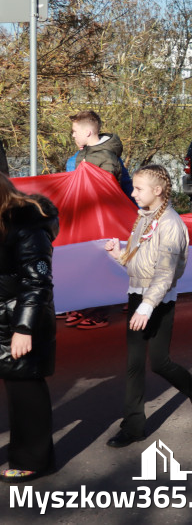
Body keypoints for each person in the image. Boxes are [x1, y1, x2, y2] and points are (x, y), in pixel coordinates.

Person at [103, 165, 192, 447]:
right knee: (134, 364)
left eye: (138, 189)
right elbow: (137, 260)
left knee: (160, 362)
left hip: (158, 300)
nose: (132, 192)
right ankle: (133, 426)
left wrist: (146, 306)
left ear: (157, 190)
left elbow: (164, 273)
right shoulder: (144, 217)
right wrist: (119, 255)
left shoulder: (171, 224)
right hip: (138, 296)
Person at [0, 175, 58, 483]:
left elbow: (36, 282)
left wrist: (23, 328)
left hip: (19, 321)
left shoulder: (27, 225)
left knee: (24, 386)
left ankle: (34, 460)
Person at [68, 110, 126, 330]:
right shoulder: (85, 153)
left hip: (100, 219)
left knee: (99, 263)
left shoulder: (106, 158)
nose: (72, 136)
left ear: (88, 131)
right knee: (82, 261)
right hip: (84, 215)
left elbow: (107, 192)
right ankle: (82, 305)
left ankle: (100, 311)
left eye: (75, 132)